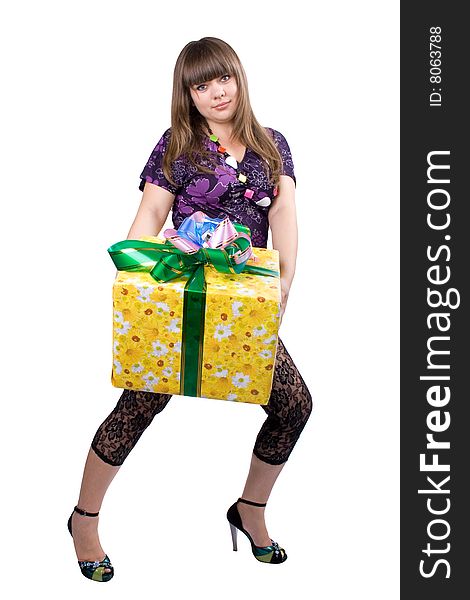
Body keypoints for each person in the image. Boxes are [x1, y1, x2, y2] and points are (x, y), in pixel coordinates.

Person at [67, 36, 313, 582]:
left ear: (238, 78)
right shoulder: (176, 144)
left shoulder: (274, 146)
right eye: (200, 85)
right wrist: (138, 289)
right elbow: (150, 215)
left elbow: (286, 216)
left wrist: (284, 287)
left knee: (294, 405)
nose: (215, 92)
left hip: (244, 305)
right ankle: (83, 520)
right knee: (139, 406)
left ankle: (250, 510)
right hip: (180, 299)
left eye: (221, 78)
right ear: (189, 95)